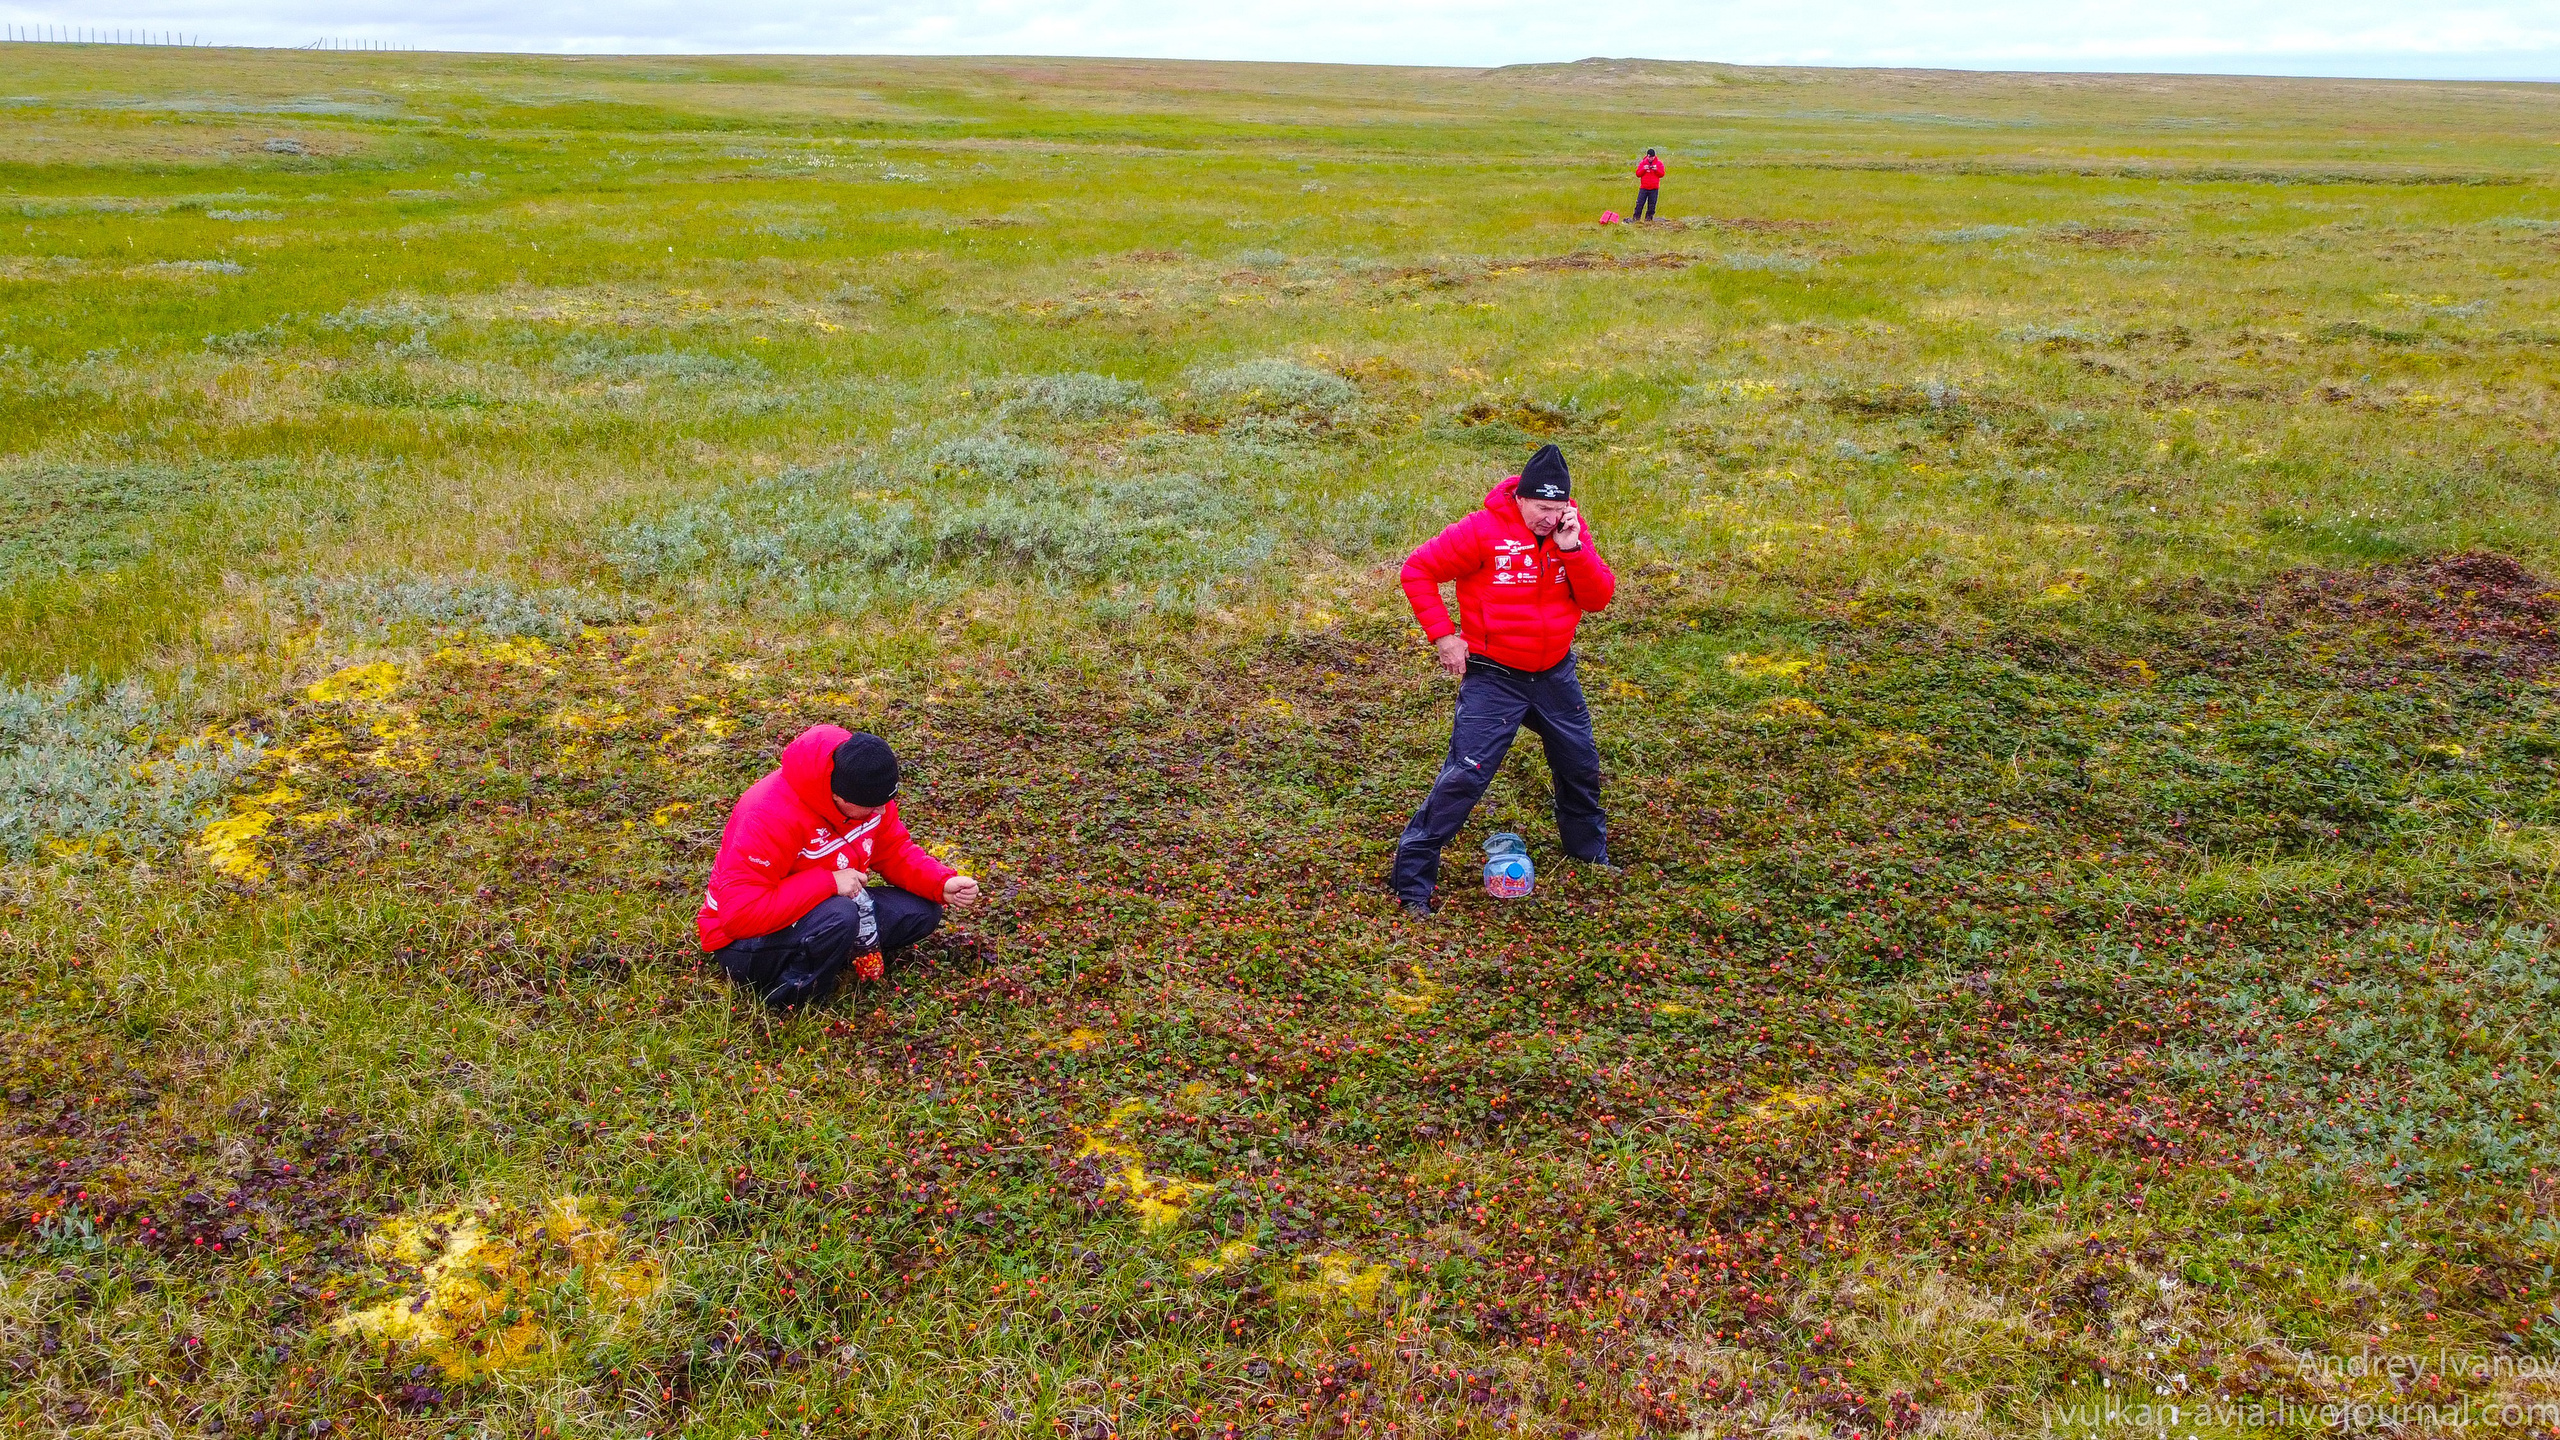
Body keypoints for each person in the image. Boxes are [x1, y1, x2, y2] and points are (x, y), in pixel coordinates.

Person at [1391, 443, 1616, 916]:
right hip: (1495, 675)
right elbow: (1418, 569)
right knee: (1465, 777)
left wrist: (1572, 550)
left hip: (1554, 672)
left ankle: (1588, 854)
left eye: (1559, 510)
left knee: (1579, 765)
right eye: (1541, 509)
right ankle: (1412, 883)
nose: (1549, 519)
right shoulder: (1481, 530)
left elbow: (1597, 598)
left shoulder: (1569, 532)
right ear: (1520, 498)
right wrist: (1443, 637)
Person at [696, 724, 981, 1007]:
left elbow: (892, 849)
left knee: (922, 912)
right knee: (840, 915)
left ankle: (830, 948)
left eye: (885, 802)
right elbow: (740, 915)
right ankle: (794, 998)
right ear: (839, 798)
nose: (881, 812)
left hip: (819, 911)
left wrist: (940, 883)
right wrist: (829, 882)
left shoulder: (867, 793)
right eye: (872, 806)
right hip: (741, 943)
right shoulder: (767, 815)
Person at [1633, 149, 1664, 222]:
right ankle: (1636, 220)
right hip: (1644, 188)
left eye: (1652, 157)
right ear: (1647, 156)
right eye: (1649, 157)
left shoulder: (1659, 164)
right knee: (1639, 204)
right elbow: (1638, 174)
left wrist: (1656, 169)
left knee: (1651, 206)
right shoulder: (1642, 163)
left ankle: (1648, 221)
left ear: (1654, 156)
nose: (1651, 159)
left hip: (1654, 189)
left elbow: (1662, 174)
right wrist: (1644, 169)